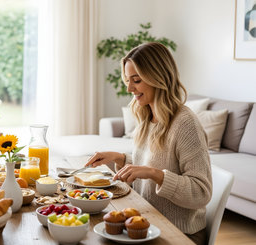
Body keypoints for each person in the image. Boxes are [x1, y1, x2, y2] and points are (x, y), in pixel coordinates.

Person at [85, 42, 212, 245]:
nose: (129, 88)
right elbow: (151, 163)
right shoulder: (147, 116)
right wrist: (120, 158)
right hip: (147, 223)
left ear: (158, 77)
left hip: (179, 233)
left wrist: (155, 174)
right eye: (127, 80)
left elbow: (201, 193)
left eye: (136, 80)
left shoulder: (185, 123)